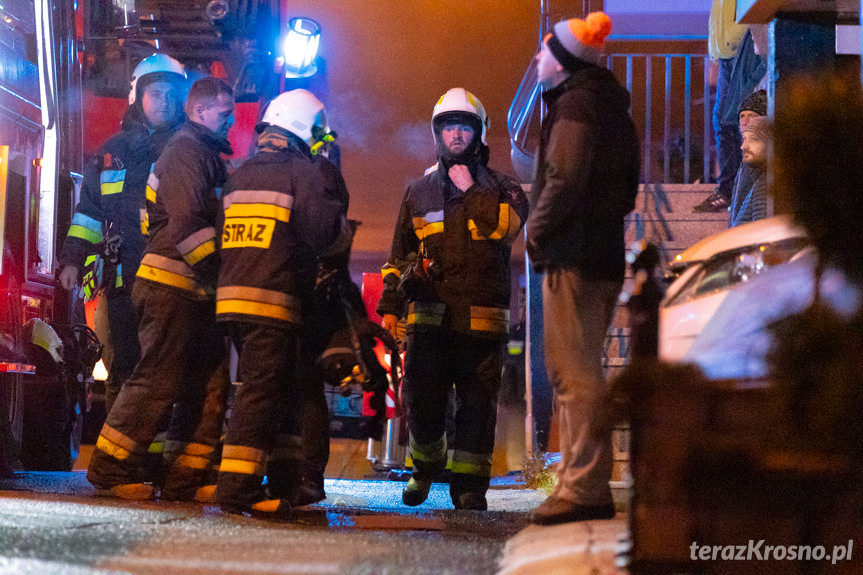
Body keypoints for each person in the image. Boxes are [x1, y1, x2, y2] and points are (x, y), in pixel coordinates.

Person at [378, 88, 528, 511]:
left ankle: (468, 488)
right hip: (428, 319)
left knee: (477, 408)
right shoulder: (418, 191)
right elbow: (398, 256)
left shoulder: (505, 188)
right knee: (422, 402)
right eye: (448, 127)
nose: (456, 134)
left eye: (464, 126)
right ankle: (425, 468)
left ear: (479, 133)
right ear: (437, 133)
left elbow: (505, 229)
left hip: (482, 319)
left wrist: (471, 188)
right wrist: (392, 304)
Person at [87, 77, 235, 501]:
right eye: (225, 114)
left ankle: (185, 476)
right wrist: (218, 275)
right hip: (174, 286)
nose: (230, 122)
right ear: (200, 111)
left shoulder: (203, 153)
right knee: (157, 378)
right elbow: (188, 224)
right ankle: (109, 467)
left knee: (208, 383)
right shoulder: (187, 152)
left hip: (194, 290)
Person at [212, 89, 349, 517]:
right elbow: (321, 235)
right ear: (306, 130)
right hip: (274, 303)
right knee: (259, 396)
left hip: (232, 302)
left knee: (264, 392)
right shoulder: (303, 173)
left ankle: (281, 481)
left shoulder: (240, 173)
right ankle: (236, 490)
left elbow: (221, 237)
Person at [526, 12, 639, 525]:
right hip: (598, 251)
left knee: (573, 374)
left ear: (565, 61)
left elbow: (563, 177)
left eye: (545, 51)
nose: (537, 58)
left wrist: (536, 230)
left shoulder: (576, 104)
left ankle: (584, 485)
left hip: (573, 253)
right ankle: (579, 482)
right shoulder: (605, 103)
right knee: (579, 370)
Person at [58, 53, 187, 411]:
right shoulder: (112, 152)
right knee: (122, 367)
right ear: (138, 96)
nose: (165, 101)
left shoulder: (189, 149)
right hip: (121, 280)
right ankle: (122, 455)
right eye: (156, 92)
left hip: (170, 283)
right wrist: (72, 260)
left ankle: (152, 455)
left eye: (172, 94)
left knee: (165, 370)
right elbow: (90, 213)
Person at [693, 0, 766, 213]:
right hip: (730, 54)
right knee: (726, 121)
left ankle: (738, 190)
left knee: (738, 122)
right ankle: (729, 190)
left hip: (743, 51)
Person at [729, 115, 770, 227]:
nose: (743, 146)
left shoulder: (767, 184)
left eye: (753, 139)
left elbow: (762, 235)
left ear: (770, 144)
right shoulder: (757, 179)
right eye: (744, 139)